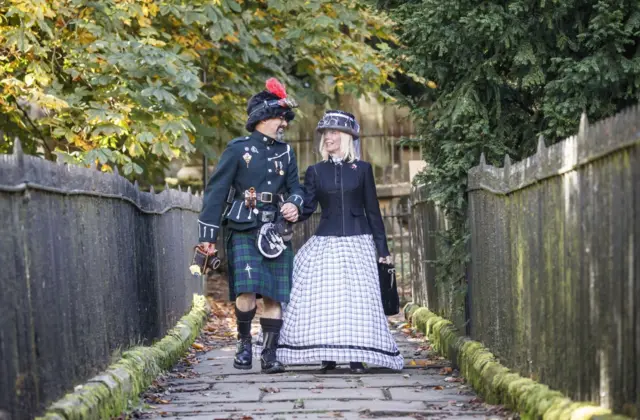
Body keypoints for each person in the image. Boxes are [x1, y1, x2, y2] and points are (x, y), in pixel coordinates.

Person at [268, 110, 404, 373]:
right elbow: (307, 208)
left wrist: (383, 250)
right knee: (322, 298)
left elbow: (373, 211)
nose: (327, 137)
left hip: (359, 241)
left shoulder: (363, 170)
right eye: (325, 133)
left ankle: (356, 357)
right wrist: (291, 210)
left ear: (346, 136)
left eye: (333, 132)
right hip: (325, 242)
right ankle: (327, 354)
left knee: (357, 301)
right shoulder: (316, 171)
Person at [197, 78, 304, 374]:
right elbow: (216, 192)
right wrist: (207, 237)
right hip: (243, 224)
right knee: (246, 290)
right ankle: (244, 345)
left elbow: (297, 188)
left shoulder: (286, 153)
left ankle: (269, 354)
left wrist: (294, 204)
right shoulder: (237, 149)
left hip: (275, 228)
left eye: (284, 118)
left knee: (273, 293)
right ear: (262, 118)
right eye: (279, 117)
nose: (283, 122)